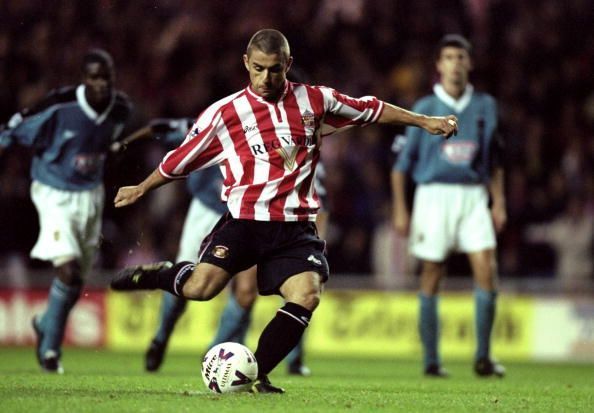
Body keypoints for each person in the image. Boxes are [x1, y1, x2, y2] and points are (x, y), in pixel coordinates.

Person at [110, 29, 457, 394]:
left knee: (307, 295)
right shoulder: (225, 113)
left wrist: (424, 121)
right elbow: (181, 159)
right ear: (246, 63)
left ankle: (257, 375)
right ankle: (161, 274)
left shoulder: (316, 101)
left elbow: (371, 108)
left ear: (287, 65)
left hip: (294, 227)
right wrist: (142, 187)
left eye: (274, 70)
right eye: (257, 68)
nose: (265, 78)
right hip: (245, 222)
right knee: (200, 288)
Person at [121, 119, 317, 375]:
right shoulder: (218, 121)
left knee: (246, 292)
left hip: (249, 217)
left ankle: (215, 352)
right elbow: (161, 130)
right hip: (205, 210)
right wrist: (121, 144)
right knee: (195, 286)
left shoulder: (288, 133)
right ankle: (160, 337)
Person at [0, 49, 132, 373]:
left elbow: (106, 146)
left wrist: (111, 153)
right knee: (68, 271)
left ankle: (46, 322)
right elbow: (15, 127)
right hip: (54, 192)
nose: (101, 85)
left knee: (76, 281)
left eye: (106, 78)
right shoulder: (58, 106)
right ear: (83, 80)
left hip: (91, 196)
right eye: (94, 78)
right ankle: (50, 352)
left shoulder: (121, 109)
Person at [391, 34, 506, 378]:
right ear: (439, 66)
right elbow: (400, 164)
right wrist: (401, 208)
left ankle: (483, 357)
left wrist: (498, 201)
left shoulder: (486, 106)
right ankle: (431, 360)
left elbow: (496, 159)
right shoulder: (424, 108)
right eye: (449, 58)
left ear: (469, 63)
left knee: (487, 268)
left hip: (472, 195)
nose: (455, 63)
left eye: (460, 57)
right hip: (433, 194)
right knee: (432, 273)